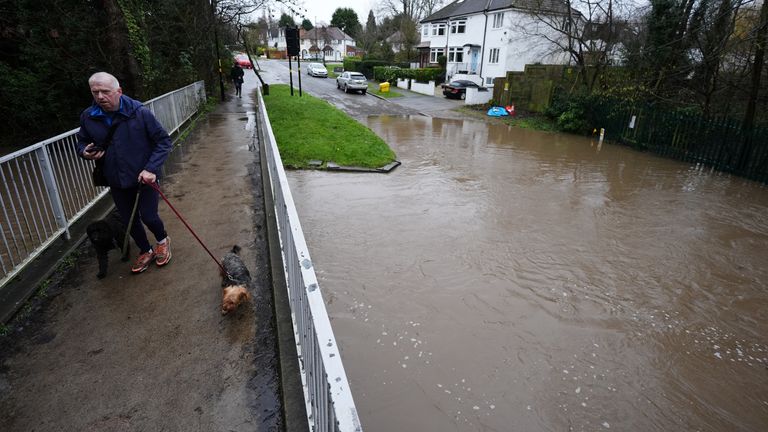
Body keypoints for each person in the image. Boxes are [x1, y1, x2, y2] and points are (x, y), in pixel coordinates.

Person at [76, 72, 173, 274]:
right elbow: (82, 142)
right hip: (116, 179)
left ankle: (162, 241)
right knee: (130, 219)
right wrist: (84, 152)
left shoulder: (140, 113)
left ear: (118, 91)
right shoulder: (88, 116)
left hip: (144, 178)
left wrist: (151, 168)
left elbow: (163, 142)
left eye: (105, 92)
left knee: (149, 216)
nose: (100, 96)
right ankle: (145, 250)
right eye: (96, 92)